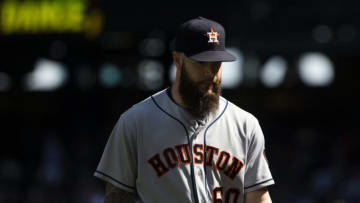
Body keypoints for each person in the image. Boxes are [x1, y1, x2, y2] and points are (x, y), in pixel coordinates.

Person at [94, 16, 275, 203]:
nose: (210, 73)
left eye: (216, 65)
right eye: (201, 63)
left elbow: (258, 197)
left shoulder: (245, 125)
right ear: (178, 60)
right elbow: (116, 197)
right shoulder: (135, 122)